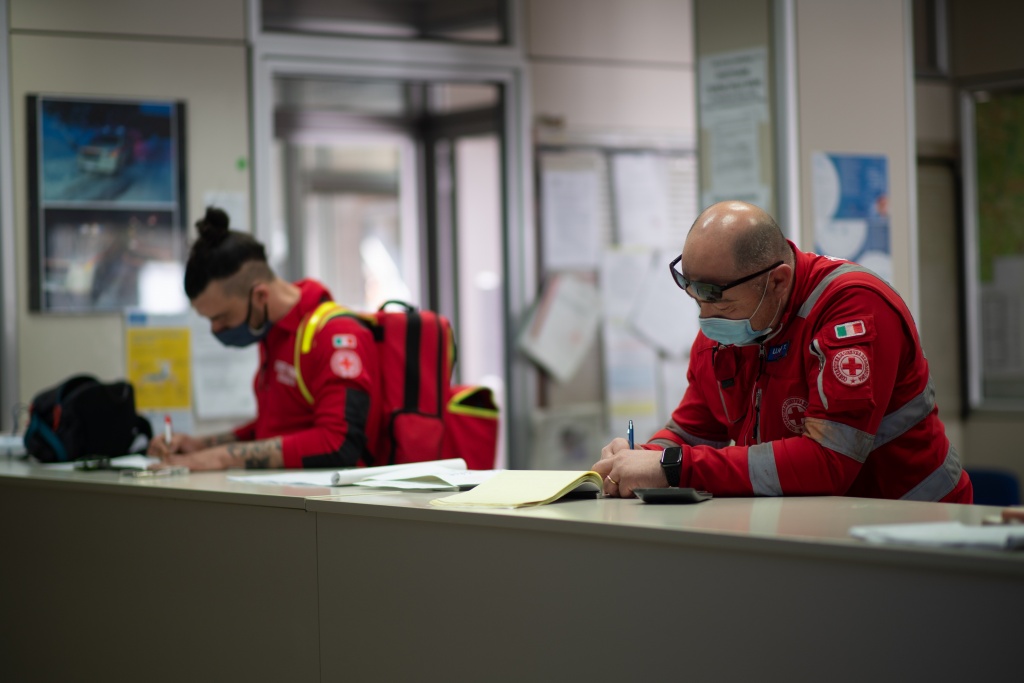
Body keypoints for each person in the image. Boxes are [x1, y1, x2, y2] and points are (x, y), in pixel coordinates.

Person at [594, 200, 972, 503]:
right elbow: (694, 430)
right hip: (820, 527)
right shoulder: (729, 327)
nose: (706, 320)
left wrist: (672, 467)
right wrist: (636, 459)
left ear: (778, 281)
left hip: (916, 525)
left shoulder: (853, 309)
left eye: (721, 305)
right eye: (696, 299)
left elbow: (827, 462)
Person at [148, 207, 379, 470]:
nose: (215, 330)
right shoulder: (273, 333)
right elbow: (279, 428)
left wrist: (221, 457)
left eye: (221, 317)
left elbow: (339, 443)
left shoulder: (335, 336)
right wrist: (202, 445)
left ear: (260, 296)